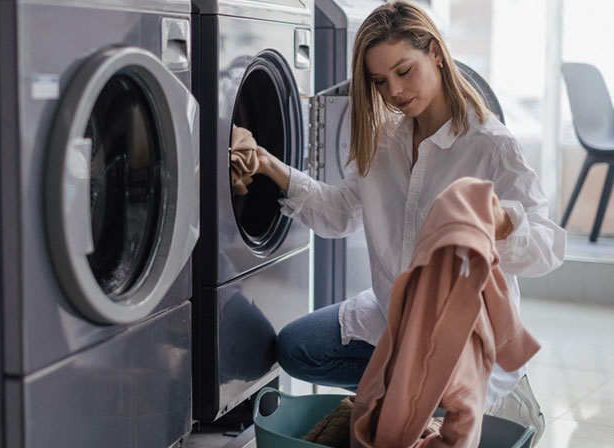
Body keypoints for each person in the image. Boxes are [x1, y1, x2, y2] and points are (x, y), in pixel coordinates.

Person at [236, 1, 566, 443]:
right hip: (393, 317)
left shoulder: (490, 146)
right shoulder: (385, 143)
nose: (394, 91)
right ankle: (405, 403)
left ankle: (493, 403)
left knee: (436, 384)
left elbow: (548, 247)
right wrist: (269, 165)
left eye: (404, 71)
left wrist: (505, 221)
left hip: (460, 337)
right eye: (379, 81)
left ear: (435, 52)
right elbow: (338, 213)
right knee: (296, 349)